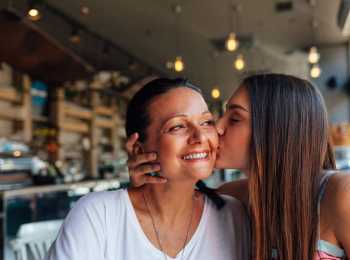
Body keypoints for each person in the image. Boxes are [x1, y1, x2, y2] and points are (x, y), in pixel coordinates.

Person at [127, 74, 350, 260]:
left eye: (234, 119)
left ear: (275, 130)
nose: (217, 128)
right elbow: (168, 210)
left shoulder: (340, 194)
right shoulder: (232, 198)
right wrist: (148, 182)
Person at [45, 78, 250, 260]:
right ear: (138, 148)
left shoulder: (232, 215)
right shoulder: (100, 215)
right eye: (177, 126)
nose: (200, 137)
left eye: (206, 122)